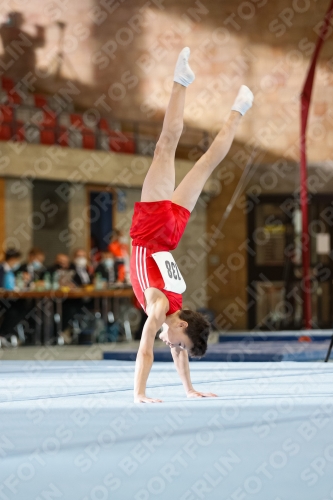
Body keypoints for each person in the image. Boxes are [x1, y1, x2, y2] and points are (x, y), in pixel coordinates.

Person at [129, 47, 253, 403]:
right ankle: (181, 81)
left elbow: (178, 352)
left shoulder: (179, 307)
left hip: (170, 234)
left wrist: (189, 389)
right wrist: (140, 394)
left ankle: (240, 107)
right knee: (165, 147)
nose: (174, 347)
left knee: (207, 162)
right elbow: (146, 352)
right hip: (152, 230)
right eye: (178, 342)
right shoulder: (159, 309)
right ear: (181, 324)